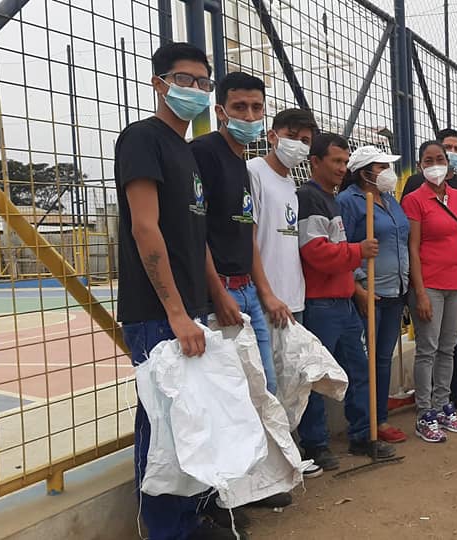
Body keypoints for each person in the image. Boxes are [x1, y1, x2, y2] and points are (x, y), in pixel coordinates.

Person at [116, 42, 241, 540]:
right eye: (183, 79)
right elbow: (145, 228)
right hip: (156, 312)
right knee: (163, 424)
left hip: (191, 307)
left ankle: (190, 518)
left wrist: (217, 295)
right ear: (160, 83)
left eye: (203, 82)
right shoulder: (142, 139)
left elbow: (195, 235)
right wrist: (174, 312)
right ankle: (165, 529)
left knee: (191, 420)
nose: (195, 89)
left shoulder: (187, 153)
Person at [295, 133, 396, 466]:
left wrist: (354, 287)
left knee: (358, 370)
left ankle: (363, 435)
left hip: (343, 301)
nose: (342, 168)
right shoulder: (309, 197)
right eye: (336, 161)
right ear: (315, 162)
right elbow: (315, 252)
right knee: (317, 376)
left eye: (344, 161)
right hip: (320, 304)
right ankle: (316, 445)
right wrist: (357, 251)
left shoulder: (332, 199)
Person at [191, 72, 291, 401]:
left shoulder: (242, 164)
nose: (249, 116)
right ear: (220, 111)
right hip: (218, 295)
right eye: (239, 107)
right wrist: (218, 293)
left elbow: (247, 235)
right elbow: (195, 232)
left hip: (247, 290)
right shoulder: (204, 153)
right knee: (231, 397)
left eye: (256, 108)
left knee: (266, 389)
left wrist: (266, 294)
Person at [402, 141, 457, 443]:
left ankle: (441, 405)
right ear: (420, 165)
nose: (436, 164)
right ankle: (424, 412)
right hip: (429, 284)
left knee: (448, 348)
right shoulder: (414, 200)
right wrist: (420, 292)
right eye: (429, 160)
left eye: (440, 158)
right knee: (427, 349)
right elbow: (413, 247)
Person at [337, 146, 410, 444]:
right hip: (370, 292)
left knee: (382, 359)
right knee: (364, 362)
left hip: (396, 290)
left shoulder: (391, 200)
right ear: (364, 172)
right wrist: (358, 289)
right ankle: (365, 422)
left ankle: (380, 418)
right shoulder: (348, 201)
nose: (388, 172)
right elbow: (342, 245)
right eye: (381, 167)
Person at [248, 108, 317, 327]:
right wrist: (266, 294)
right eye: (291, 136)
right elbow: (248, 238)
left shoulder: (290, 183)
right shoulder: (253, 171)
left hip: (293, 299)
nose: (298, 145)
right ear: (272, 136)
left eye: (305, 141)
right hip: (266, 302)